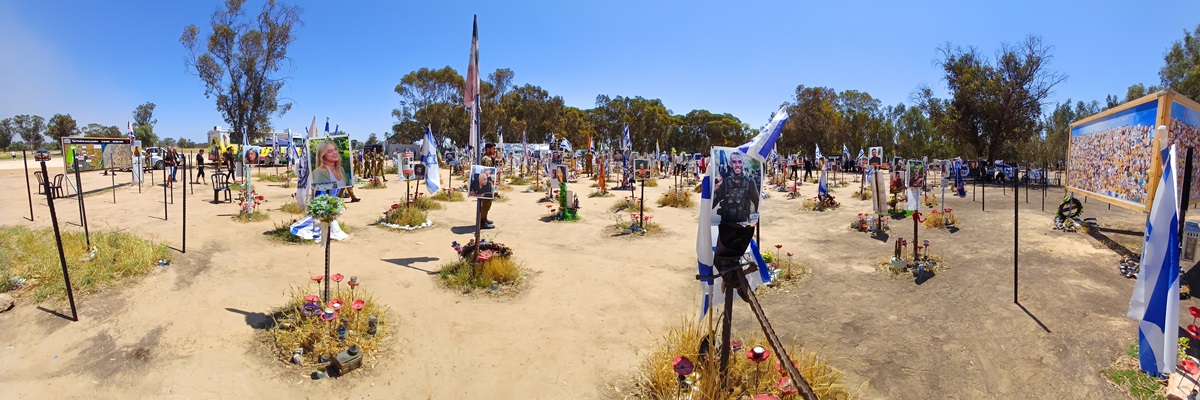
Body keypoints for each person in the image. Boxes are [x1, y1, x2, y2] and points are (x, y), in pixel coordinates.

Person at [713, 152, 759, 224]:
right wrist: (715, 188)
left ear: (743, 164)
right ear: (730, 164)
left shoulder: (750, 182)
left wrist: (753, 221)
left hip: (743, 223)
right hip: (726, 224)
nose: (737, 165)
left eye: (739, 162)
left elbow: (756, 202)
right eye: (734, 162)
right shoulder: (725, 181)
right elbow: (714, 202)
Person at [478, 143, 498, 229]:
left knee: (486, 202)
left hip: (484, 182)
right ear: (488, 149)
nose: (495, 151)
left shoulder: (487, 158)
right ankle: (482, 222)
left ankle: (484, 219)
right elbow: (488, 171)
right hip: (486, 183)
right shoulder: (487, 159)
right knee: (486, 202)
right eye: (493, 149)